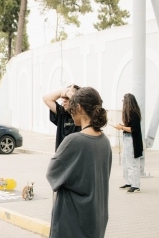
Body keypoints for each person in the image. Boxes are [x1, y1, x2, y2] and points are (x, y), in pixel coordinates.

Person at [46, 87, 112, 238]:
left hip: (73, 221)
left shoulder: (73, 140)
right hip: (96, 218)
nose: (69, 111)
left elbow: (52, 174)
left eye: (71, 106)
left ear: (79, 107)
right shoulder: (105, 141)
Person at [113, 93, 143, 193]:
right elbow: (130, 127)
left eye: (123, 101)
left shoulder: (134, 113)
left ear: (127, 102)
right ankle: (129, 182)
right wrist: (122, 126)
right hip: (127, 139)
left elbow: (134, 129)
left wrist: (121, 127)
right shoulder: (130, 113)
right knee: (125, 161)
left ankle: (135, 185)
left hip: (132, 141)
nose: (122, 103)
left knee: (132, 163)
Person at [43, 84, 81, 151]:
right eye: (63, 98)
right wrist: (64, 91)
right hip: (61, 157)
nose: (64, 100)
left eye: (67, 98)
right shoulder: (62, 112)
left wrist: (73, 94)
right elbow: (46, 99)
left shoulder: (82, 116)